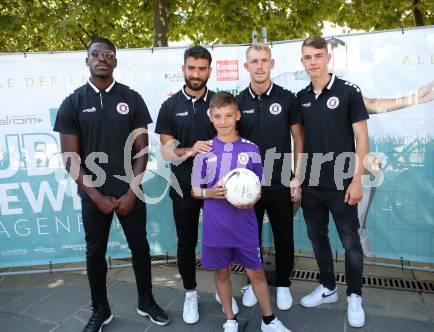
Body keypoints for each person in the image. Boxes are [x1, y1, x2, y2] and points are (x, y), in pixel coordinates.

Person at [53, 37, 170, 332]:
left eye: (108, 54)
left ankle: (146, 301)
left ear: (115, 61)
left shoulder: (131, 98)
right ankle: (100, 310)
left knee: (140, 248)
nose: (102, 58)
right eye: (96, 54)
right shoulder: (73, 102)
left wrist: (131, 191)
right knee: (95, 253)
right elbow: (70, 158)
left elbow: (142, 151)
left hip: (129, 190)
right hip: (93, 194)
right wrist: (95, 195)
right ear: (87, 60)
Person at [191, 91, 291, 332]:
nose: (223, 121)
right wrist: (208, 193)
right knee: (222, 273)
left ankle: (269, 320)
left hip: (244, 222)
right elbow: (195, 190)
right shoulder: (204, 151)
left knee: (256, 272)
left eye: (228, 115)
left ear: (237, 115)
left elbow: (258, 186)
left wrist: (253, 200)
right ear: (210, 118)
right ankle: (229, 319)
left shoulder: (251, 149)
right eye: (217, 116)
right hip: (216, 223)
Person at [155, 46, 239, 324]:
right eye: (191, 68)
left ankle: (221, 288)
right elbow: (167, 152)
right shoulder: (170, 106)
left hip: (219, 188)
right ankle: (190, 294)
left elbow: (233, 141)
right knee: (187, 242)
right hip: (183, 186)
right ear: (183, 69)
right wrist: (192, 150)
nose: (196, 74)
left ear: (209, 71)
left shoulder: (219, 103)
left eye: (202, 69)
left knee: (221, 240)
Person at [294, 36, 369, 328]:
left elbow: (362, 139)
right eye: (307, 57)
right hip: (312, 184)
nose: (313, 61)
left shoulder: (349, 91)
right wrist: (298, 176)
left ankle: (354, 296)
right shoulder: (301, 97)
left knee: (350, 242)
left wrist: (357, 180)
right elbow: (298, 140)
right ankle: (327, 287)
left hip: (342, 184)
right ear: (303, 62)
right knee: (317, 238)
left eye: (317, 55)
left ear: (327, 58)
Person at [235, 43, 303, 310]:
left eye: (264, 60)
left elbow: (299, 138)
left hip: (280, 181)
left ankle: (284, 284)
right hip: (248, 184)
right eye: (254, 61)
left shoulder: (287, 98)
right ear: (247, 66)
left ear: (272, 64)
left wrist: (297, 177)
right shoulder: (238, 101)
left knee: (283, 235)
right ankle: (253, 282)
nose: (260, 65)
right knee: (249, 238)